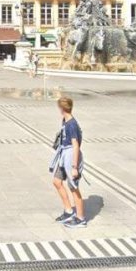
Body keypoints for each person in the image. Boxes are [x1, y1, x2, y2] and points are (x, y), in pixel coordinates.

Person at [49, 96, 86, 229]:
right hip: (63, 154)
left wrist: (75, 167)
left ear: (62, 108)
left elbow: (76, 146)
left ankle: (81, 218)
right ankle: (69, 210)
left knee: (73, 187)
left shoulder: (72, 125)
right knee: (57, 181)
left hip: (71, 156)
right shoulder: (65, 120)